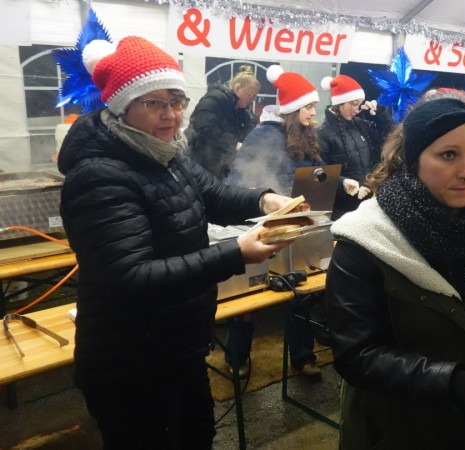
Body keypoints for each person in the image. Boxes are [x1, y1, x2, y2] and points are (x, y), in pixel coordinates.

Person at [57, 36, 292, 448]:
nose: (171, 115)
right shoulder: (99, 176)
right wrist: (235, 253)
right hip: (131, 362)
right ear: (122, 106)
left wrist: (263, 199)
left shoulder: (166, 154)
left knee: (198, 437)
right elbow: (131, 278)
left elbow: (215, 196)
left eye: (177, 101)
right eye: (155, 103)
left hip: (178, 344)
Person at [325, 98, 465, 449]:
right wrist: (448, 382)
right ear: (413, 159)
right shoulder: (367, 240)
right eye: (448, 155)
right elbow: (356, 353)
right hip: (394, 429)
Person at [228, 64, 327, 377]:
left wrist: (335, 183)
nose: (314, 112)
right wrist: (268, 198)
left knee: (303, 291)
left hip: (298, 225)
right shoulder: (262, 136)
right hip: (263, 228)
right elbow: (236, 183)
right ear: (294, 109)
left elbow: (316, 175)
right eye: (309, 106)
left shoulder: (307, 137)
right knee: (248, 297)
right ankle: (237, 358)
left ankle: (303, 356)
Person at [317, 74, 394, 218]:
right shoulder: (323, 134)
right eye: (353, 104)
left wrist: (380, 114)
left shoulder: (361, 125)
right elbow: (319, 172)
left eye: (359, 104)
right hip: (340, 209)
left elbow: (391, 137)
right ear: (339, 103)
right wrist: (344, 184)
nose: (357, 110)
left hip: (367, 202)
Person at [185, 65, 260, 179]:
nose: (252, 100)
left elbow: (245, 132)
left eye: (255, 97)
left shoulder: (240, 108)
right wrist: (234, 143)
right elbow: (204, 128)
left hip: (219, 162)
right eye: (250, 95)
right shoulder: (215, 98)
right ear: (238, 88)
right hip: (197, 158)